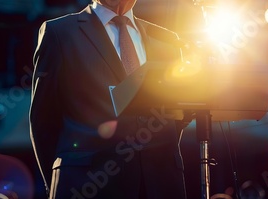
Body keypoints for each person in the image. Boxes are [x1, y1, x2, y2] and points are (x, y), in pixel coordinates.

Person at [29, 0, 188, 198]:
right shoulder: (59, 33)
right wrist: (59, 179)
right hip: (86, 185)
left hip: (159, 184)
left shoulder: (166, 39)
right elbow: (42, 122)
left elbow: (176, 113)